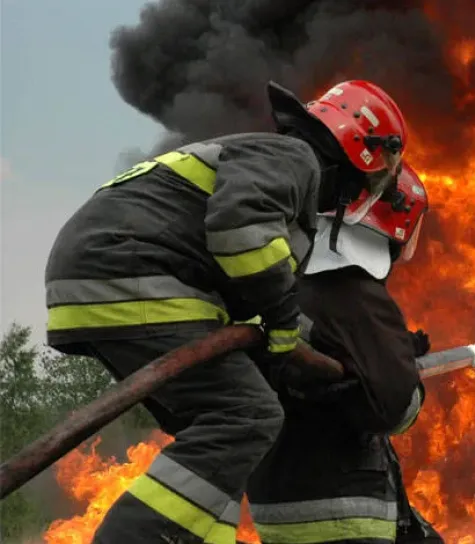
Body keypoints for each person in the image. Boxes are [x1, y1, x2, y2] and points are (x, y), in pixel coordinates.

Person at [43, 79, 410, 544]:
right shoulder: (295, 158)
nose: (357, 195)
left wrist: (293, 341)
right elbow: (240, 234)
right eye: (369, 182)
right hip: (131, 271)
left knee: (219, 435)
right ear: (361, 152)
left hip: (103, 275)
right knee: (248, 416)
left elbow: (238, 269)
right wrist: (283, 324)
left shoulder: (265, 157)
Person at [246, 162, 444, 544]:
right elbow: (393, 409)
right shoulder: (354, 294)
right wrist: (403, 373)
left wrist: (391, 352)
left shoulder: (288, 285)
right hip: (341, 508)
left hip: (279, 497)